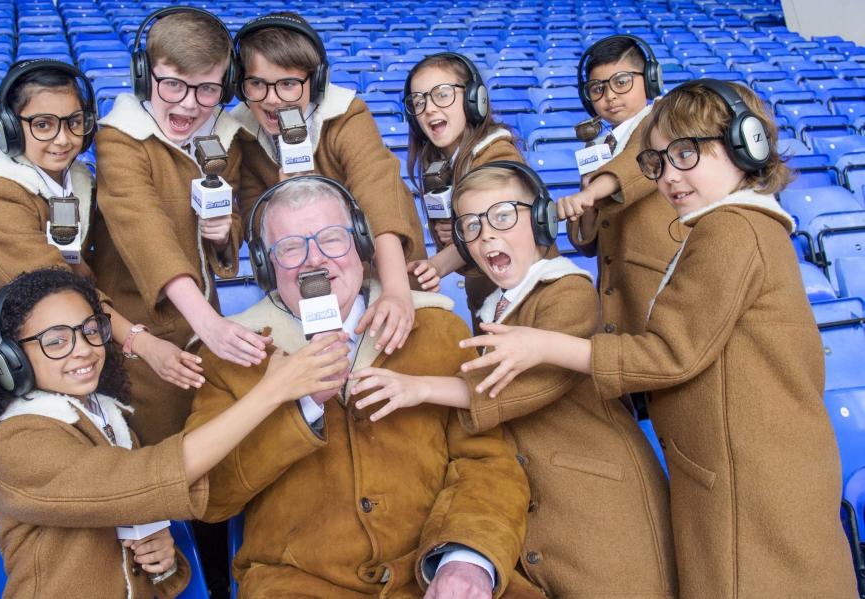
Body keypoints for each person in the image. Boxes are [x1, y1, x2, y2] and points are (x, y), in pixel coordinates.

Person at [458, 81, 859, 598]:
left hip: (750, 479)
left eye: (686, 153)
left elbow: (670, 354)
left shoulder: (731, 229)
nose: (669, 175)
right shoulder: (737, 227)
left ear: (746, 143)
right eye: (658, 162)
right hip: (744, 467)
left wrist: (545, 346)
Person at [185, 176, 536, 598]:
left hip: (431, 570)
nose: (315, 261)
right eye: (291, 247)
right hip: (297, 584)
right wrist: (303, 409)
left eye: (332, 239)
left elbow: (488, 463)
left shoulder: (439, 330)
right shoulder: (229, 358)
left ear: (361, 247)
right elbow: (211, 497)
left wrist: (466, 559)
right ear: (265, 264)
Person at [352, 162, 677, 598]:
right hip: (542, 511)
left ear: (541, 219)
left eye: (503, 216)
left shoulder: (570, 292)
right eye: (471, 225)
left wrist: (419, 387)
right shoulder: (493, 306)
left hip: (602, 505)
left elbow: (521, 387)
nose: (487, 234)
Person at [0, 267, 348, 599]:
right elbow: (140, 481)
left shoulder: (108, 421)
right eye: (55, 341)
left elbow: (140, 544)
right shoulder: (20, 442)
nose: (83, 349)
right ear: (10, 361)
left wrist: (165, 562)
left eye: (90, 329)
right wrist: (270, 391)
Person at [0, 59, 202, 393]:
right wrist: (141, 342)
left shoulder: (77, 178)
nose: (63, 139)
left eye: (74, 122)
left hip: (56, 322)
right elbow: (53, 283)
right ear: (10, 128)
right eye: (44, 125)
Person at [91, 8, 261, 444]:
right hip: (141, 334)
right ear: (144, 74)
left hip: (204, 325)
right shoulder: (119, 139)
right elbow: (145, 231)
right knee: (156, 460)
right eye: (173, 84)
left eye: (207, 89)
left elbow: (234, 219)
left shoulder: (223, 136)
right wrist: (208, 323)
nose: (189, 103)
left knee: (212, 447)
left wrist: (225, 233)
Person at [230, 12, 426, 357]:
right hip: (302, 276)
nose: (272, 99)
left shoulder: (347, 115)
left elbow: (378, 200)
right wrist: (279, 197)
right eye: (257, 84)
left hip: (379, 263)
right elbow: (253, 219)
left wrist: (395, 290)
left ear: (315, 82)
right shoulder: (240, 131)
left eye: (288, 83)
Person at [557, 35, 685, 339]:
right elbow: (586, 242)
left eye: (622, 82)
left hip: (663, 286)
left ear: (650, 81)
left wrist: (589, 192)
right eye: (598, 88)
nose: (610, 96)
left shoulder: (665, 122)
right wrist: (582, 209)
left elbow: (638, 161)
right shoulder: (599, 147)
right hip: (619, 295)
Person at [401, 53, 524, 331]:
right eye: (419, 102)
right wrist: (449, 234)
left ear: (473, 99)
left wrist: (436, 265)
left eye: (442, 95)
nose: (429, 108)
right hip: (485, 297)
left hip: (522, 305)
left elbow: (495, 230)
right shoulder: (441, 162)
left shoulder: (497, 154)